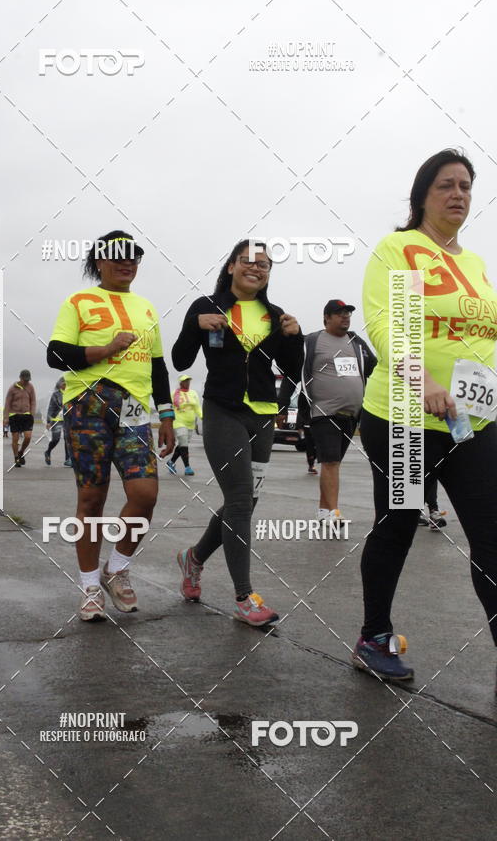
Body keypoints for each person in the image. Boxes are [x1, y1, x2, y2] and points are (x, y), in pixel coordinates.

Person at [354, 148, 497, 683]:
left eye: (465, 185)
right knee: (399, 524)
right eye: (446, 185)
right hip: (404, 419)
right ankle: (373, 637)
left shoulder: (475, 264)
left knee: (491, 536)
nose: (458, 194)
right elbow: (391, 324)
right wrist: (427, 382)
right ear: (421, 196)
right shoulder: (403, 251)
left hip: (474, 423)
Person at [172, 240, 303, 626]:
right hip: (222, 411)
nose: (256, 268)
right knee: (241, 500)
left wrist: (296, 339)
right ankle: (245, 598)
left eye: (264, 264)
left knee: (244, 503)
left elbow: (292, 370)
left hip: (261, 417)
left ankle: (193, 558)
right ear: (231, 266)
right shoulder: (207, 306)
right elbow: (180, 359)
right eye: (248, 261)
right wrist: (194, 326)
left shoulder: (275, 316)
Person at [47, 230, 175, 620]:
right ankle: (89, 587)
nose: (126, 262)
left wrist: (166, 414)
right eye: (117, 256)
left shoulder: (148, 309)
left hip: (135, 409)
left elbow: (157, 367)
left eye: (133, 257)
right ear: (98, 262)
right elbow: (55, 354)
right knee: (91, 500)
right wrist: (103, 350)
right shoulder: (78, 301)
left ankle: (115, 569)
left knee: (145, 494)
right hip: (87, 403)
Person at [279, 300, 377, 525]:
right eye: (339, 313)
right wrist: (282, 406)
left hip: (351, 415)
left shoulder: (356, 341)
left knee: (333, 463)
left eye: (348, 313)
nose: (345, 317)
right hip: (322, 412)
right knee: (331, 461)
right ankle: (333, 512)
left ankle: (323, 510)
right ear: (326, 318)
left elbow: (374, 368)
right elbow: (292, 373)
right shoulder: (311, 341)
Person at [166, 374, 202, 476]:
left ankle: (171, 462)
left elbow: (197, 408)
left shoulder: (193, 393)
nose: (187, 383)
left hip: (190, 423)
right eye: (185, 381)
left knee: (182, 444)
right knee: (183, 443)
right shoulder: (174, 394)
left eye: (188, 381)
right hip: (178, 421)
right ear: (180, 383)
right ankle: (187, 467)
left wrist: (203, 416)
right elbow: (168, 407)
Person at [3, 370, 36, 467]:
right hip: (14, 415)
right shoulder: (12, 388)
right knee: (15, 439)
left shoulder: (30, 387)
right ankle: (16, 457)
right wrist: (6, 418)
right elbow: (7, 403)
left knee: (28, 437)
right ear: (20, 378)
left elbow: (33, 401)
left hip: (27, 415)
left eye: (28, 380)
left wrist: (32, 414)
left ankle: (21, 452)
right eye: (24, 379)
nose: (26, 381)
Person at [44, 378, 72, 466]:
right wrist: (48, 421)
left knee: (67, 439)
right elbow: (51, 408)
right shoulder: (55, 395)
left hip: (67, 419)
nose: (65, 385)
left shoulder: (70, 393)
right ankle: (48, 452)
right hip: (56, 420)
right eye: (63, 384)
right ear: (60, 385)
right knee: (56, 439)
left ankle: (68, 459)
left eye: (66, 384)